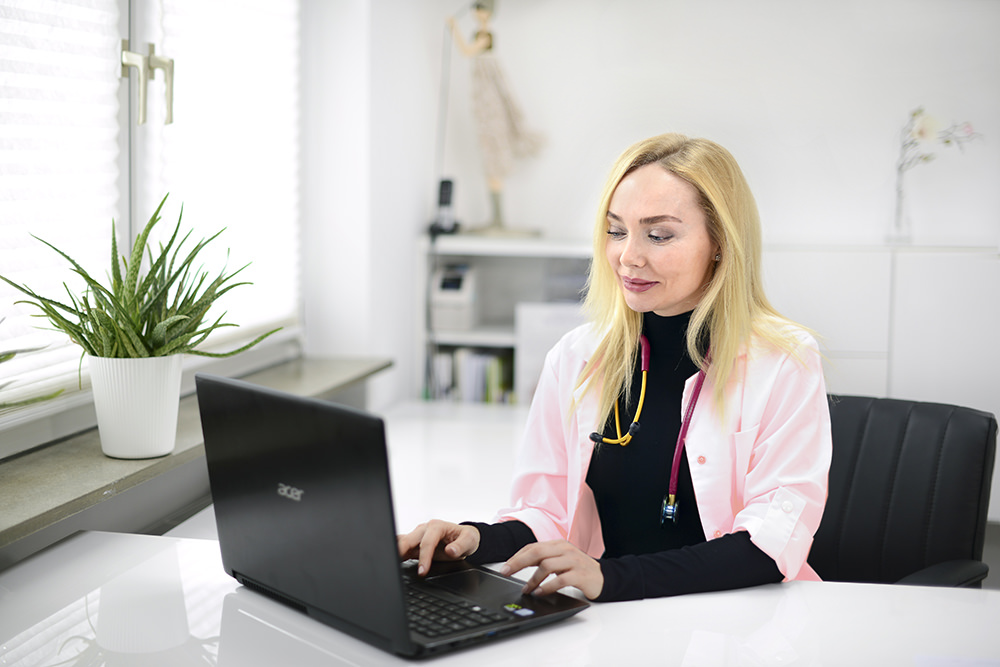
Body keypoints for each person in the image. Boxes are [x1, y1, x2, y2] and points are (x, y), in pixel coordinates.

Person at [398, 133, 832, 602]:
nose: (628, 256)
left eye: (659, 234)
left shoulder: (784, 361)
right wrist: (474, 540)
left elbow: (768, 546)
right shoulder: (576, 358)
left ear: (721, 243)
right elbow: (545, 513)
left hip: (738, 622)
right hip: (615, 621)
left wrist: (614, 580)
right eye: (616, 230)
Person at [446, 0, 542, 230]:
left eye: (480, 8)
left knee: (493, 164)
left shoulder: (485, 36)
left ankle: (498, 218)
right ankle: (496, 217)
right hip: (483, 106)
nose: (477, 12)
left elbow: (466, 51)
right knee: (490, 164)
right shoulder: (481, 34)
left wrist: (453, 28)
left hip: (489, 108)